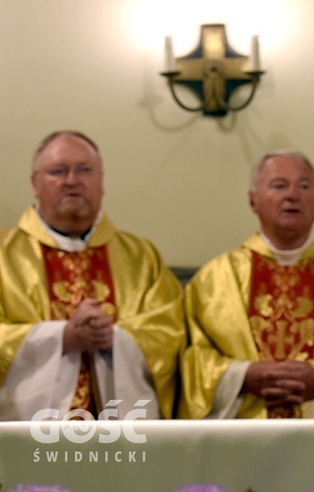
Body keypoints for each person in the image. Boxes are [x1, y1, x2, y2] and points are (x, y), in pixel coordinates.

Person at [178, 150, 314, 419]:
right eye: (279, 185)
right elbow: (191, 359)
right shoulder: (215, 278)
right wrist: (243, 376)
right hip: (239, 435)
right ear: (253, 200)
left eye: (304, 186)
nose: (292, 195)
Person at [0, 130, 185, 420]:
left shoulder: (141, 256)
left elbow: (170, 335)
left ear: (101, 182)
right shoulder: (4, 255)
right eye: (58, 171)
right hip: (26, 440)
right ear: (34, 184)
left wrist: (114, 338)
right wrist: (62, 337)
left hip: (122, 440)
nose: (71, 181)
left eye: (84, 170)